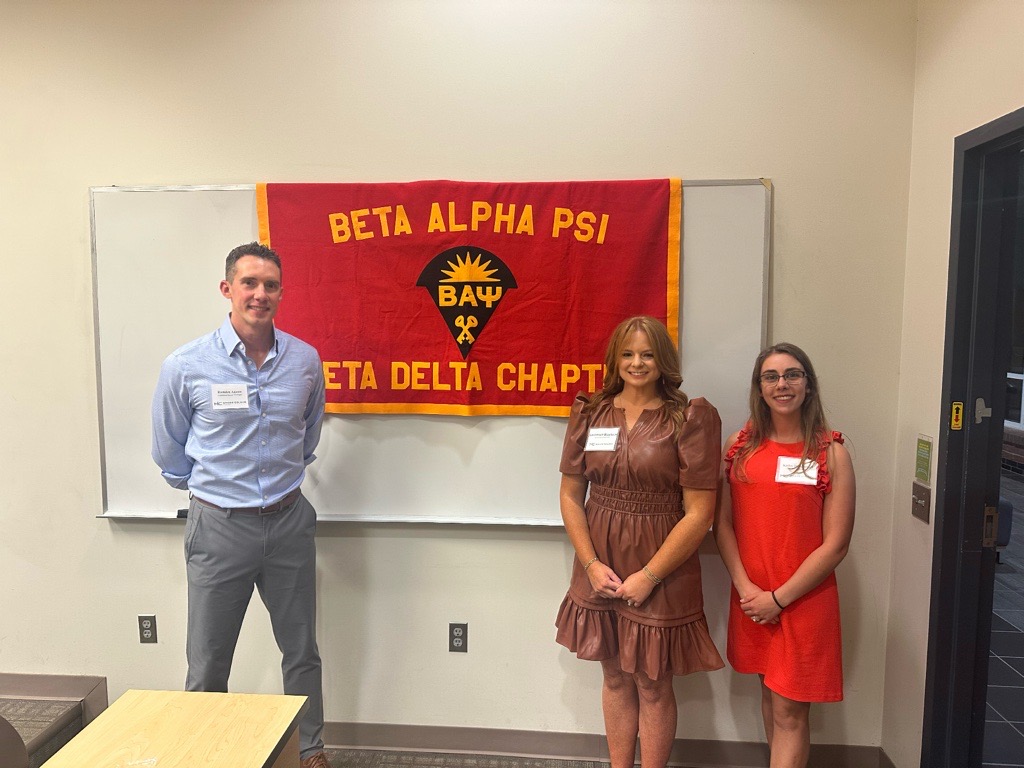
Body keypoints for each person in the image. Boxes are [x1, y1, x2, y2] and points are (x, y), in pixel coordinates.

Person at [151, 242, 332, 768]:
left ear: (281, 292)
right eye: (249, 283)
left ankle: (310, 750)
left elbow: (307, 437)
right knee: (208, 661)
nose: (260, 294)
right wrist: (220, 494)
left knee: (301, 653)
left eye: (270, 285)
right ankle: (203, 755)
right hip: (219, 528)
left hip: (288, 521)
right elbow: (169, 454)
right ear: (227, 289)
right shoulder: (185, 365)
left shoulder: (304, 360)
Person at [554, 315, 724, 768]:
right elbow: (571, 496)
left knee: (652, 682)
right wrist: (590, 565)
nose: (637, 362)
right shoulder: (590, 411)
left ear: (663, 360)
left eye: (647, 354)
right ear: (615, 358)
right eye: (628, 353)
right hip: (600, 561)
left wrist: (649, 576)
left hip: (663, 565)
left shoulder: (691, 417)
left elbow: (700, 513)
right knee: (613, 676)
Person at [714, 343, 855, 768]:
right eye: (771, 377)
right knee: (769, 695)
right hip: (751, 600)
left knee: (791, 711)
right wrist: (750, 592)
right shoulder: (738, 447)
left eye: (792, 374)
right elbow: (722, 526)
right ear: (759, 388)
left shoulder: (831, 453)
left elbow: (836, 544)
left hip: (803, 602)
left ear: (808, 385)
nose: (782, 384)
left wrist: (778, 599)